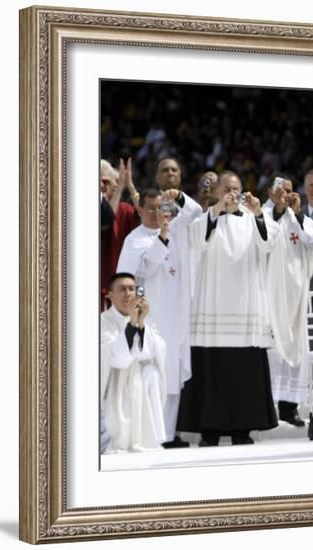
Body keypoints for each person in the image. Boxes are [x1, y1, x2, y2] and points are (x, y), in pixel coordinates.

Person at [177, 171, 282, 446]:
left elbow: (270, 240)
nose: (232, 193)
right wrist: (215, 210)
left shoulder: (252, 218)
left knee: (243, 374)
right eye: (227, 189)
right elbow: (197, 240)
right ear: (217, 191)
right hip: (212, 311)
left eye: (236, 188)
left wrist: (259, 214)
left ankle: (242, 429)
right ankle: (209, 430)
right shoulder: (205, 219)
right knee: (211, 371)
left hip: (245, 311)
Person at [117, 187, 202, 448]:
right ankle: (154, 433)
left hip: (176, 314)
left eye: (160, 207)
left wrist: (178, 197)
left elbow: (196, 212)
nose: (156, 213)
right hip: (152, 317)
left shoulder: (176, 229)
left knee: (174, 373)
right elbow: (139, 271)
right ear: (140, 209)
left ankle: (169, 432)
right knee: (154, 373)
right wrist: (162, 238)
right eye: (150, 208)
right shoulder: (135, 239)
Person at [262, 176, 313, 426]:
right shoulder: (262, 216)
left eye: (288, 191)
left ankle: (289, 408)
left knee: (295, 348)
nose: (284, 195)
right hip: (270, 294)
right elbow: (261, 237)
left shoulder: (300, 219)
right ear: (270, 191)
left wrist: (296, 216)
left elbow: (312, 243)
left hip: (295, 296)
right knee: (273, 352)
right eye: (279, 190)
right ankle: (269, 408)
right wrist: (278, 211)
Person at [101, 273, 167, 452]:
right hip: (113, 383)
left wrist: (141, 323)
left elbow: (153, 350)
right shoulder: (102, 321)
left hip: (139, 380)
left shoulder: (146, 319)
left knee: (151, 374)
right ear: (110, 295)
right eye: (121, 289)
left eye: (131, 289)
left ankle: (149, 437)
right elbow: (116, 358)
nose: (128, 294)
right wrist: (132, 322)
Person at [100, 158, 140, 307]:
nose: (102, 186)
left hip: (121, 285)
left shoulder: (125, 209)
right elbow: (104, 220)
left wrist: (129, 186)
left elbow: (146, 216)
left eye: (106, 182)